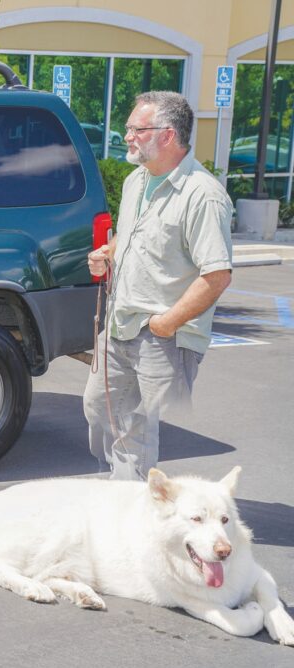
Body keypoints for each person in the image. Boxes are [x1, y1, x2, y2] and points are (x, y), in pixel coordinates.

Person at [85, 91, 232, 480]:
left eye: (137, 128)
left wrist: (166, 323)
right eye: (128, 128)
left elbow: (216, 275)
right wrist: (109, 251)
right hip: (119, 325)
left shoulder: (204, 195)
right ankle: (120, 483)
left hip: (163, 336)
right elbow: (134, 234)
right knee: (97, 409)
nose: (127, 135)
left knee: (137, 428)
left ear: (167, 135)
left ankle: (128, 503)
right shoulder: (137, 180)